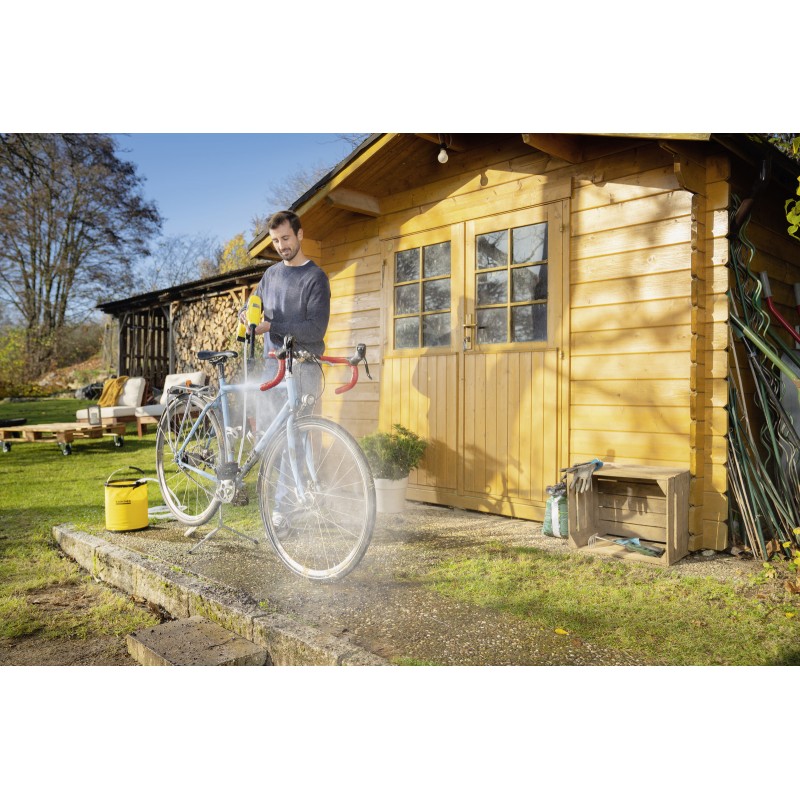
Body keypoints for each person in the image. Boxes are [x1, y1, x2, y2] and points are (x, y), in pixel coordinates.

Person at [240, 210, 331, 429]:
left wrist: (272, 326)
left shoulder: (315, 278)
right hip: (272, 366)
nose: (281, 246)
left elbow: (315, 330)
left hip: (304, 369)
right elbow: (252, 303)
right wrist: (245, 314)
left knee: (298, 437)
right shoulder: (271, 275)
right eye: (275, 241)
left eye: (285, 238)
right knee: (267, 434)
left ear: (299, 234)